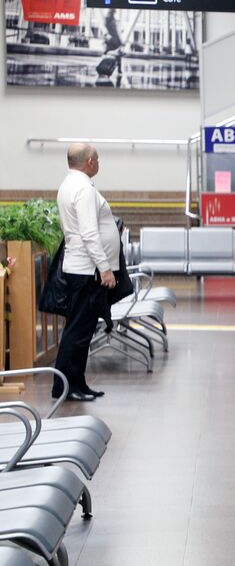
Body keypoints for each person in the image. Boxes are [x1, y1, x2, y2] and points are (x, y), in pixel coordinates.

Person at [53, 143, 120, 402]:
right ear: (90, 161)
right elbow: (89, 232)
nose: (99, 163)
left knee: (80, 330)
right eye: (98, 158)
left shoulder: (69, 184)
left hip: (80, 267)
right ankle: (65, 387)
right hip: (86, 270)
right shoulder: (83, 188)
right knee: (79, 332)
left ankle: (77, 383)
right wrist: (104, 268)